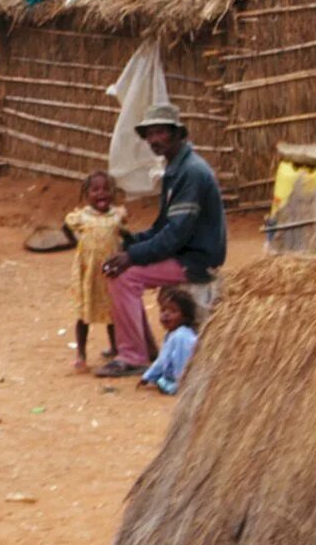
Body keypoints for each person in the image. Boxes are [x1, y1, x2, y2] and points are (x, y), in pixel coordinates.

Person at [96, 103, 226, 377]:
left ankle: (133, 355)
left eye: (160, 133)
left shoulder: (190, 172)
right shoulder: (177, 168)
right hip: (185, 251)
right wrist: (131, 242)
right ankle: (143, 348)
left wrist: (132, 255)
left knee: (124, 277)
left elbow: (175, 234)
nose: (154, 140)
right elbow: (163, 226)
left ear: (177, 134)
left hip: (195, 259)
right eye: (150, 134)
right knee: (122, 266)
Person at [60, 170, 127, 372]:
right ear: (86, 194)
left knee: (112, 313)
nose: (101, 194)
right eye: (95, 190)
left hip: (110, 273)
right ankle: (81, 354)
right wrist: (77, 245)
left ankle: (115, 347)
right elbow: (65, 227)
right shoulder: (81, 217)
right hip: (88, 273)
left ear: (114, 193)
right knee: (84, 315)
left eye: (107, 189)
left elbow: (123, 235)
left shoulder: (117, 215)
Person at [138, 287, 200, 395]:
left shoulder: (182, 337)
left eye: (173, 311)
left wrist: (181, 385)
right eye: (163, 310)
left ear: (185, 317)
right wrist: (147, 377)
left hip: (182, 381)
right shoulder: (171, 334)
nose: (166, 314)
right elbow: (161, 360)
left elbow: (183, 363)